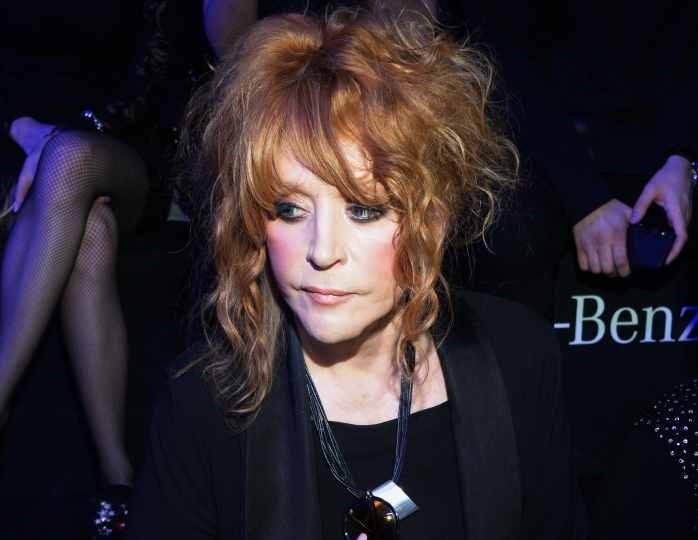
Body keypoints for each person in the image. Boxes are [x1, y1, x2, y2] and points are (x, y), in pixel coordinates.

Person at [129, 6, 586, 539]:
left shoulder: (518, 357)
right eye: (288, 210)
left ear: (431, 218)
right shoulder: (202, 406)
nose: (322, 251)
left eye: (364, 210)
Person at [0, 1, 207, 537]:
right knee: (91, 230)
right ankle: (118, 482)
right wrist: (21, 127)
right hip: (13, 144)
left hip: (116, 149)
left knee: (69, 158)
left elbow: (159, 69)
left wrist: (60, 135)